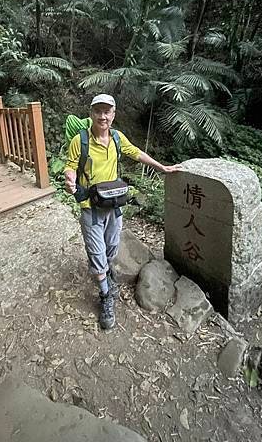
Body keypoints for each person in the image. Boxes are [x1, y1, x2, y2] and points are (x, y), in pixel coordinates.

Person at [64, 93, 182, 330]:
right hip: (91, 207)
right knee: (97, 252)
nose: (102, 116)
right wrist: (70, 178)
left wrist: (162, 167)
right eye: (98, 111)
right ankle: (106, 294)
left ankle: (105, 271)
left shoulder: (118, 138)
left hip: (114, 206)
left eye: (107, 111)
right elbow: (70, 165)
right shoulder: (81, 140)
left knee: (111, 248)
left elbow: (136, 153)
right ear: (91, 114)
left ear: (113, 115)